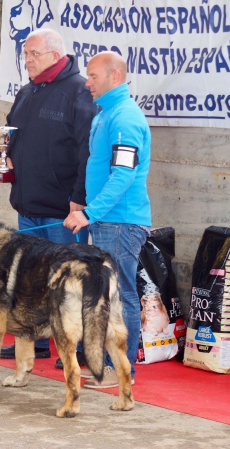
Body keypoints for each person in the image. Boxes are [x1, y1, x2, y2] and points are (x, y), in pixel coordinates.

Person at [0, 28, 96, 367]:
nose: (27, 59)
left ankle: (74, 348)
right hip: (27, 207)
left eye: (33, 53)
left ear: (54, 54)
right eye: (25, 54)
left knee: (68, 281)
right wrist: (5, 165)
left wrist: (79, 200)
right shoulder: (25, 92)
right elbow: (15, 143)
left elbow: (88, 153)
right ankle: (33, 343)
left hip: (62, 212)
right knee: (32, 282)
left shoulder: (79, 92)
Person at [64, 51, 152, 388]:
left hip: (120, 222)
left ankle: (121, 370)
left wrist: (89, 212)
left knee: (121, 295)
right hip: (106, 221)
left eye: (93, 76)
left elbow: (123, 176)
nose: (87, 83)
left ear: (114, 77)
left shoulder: (125, 118)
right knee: (107, 295)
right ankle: (108, 365)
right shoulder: (107, 114)